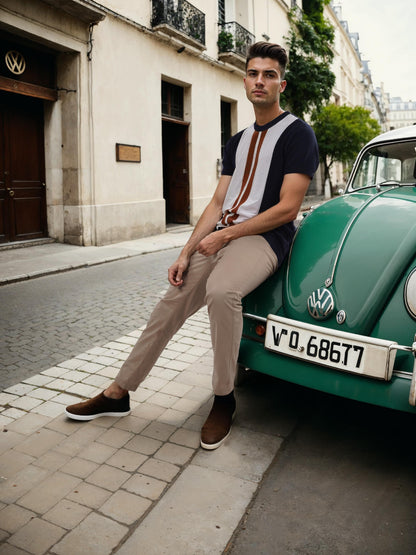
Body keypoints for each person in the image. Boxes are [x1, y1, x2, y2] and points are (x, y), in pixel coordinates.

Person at [65, 42, 319, 450]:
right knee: (171, 300)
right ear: (245, 80)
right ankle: (119, 392)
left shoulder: (298, 134)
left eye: (269, 74)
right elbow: (218, 203)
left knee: (222, 291)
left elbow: (288, 208)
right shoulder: (236, 142)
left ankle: (223, 398)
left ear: (281, 84)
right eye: (254, 73)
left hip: (265, 239)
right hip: (223, 235)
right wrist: (186, 251)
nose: (260, 81)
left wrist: (226, 235)